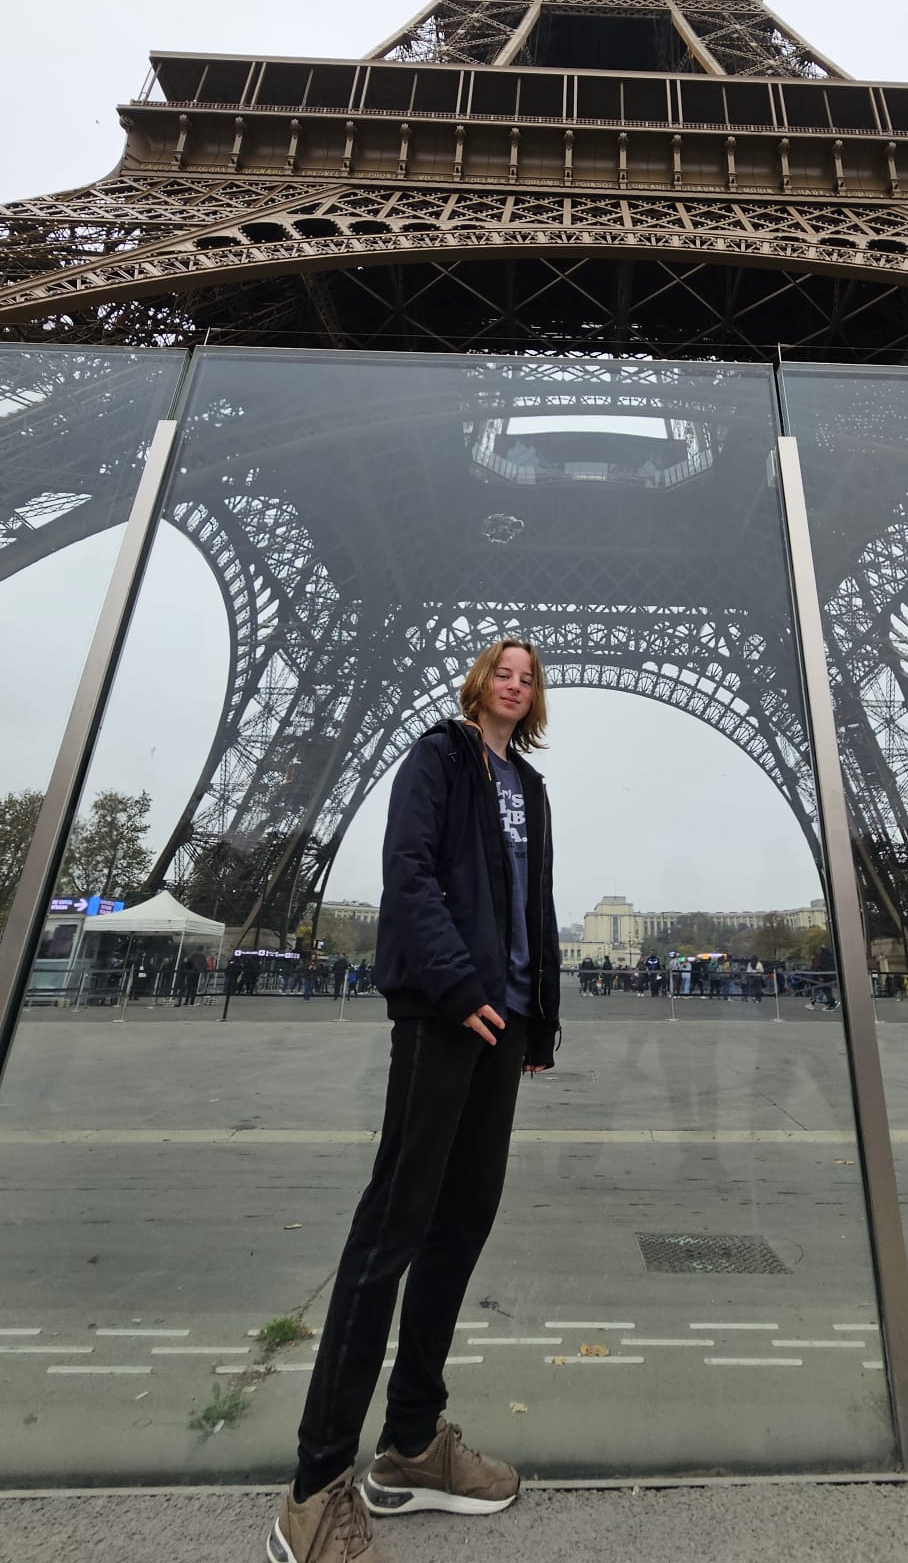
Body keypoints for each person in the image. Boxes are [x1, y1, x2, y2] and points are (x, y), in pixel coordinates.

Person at [270, 639, 561, 1563]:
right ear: (479, 684)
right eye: (502, 671)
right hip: (446, 1017)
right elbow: (411, 874)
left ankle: (410, 1446)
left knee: (462, 1220)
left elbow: (533, 909)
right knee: (393, 1228)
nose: (515, 683)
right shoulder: (436, 756)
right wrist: (453, 984)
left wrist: (535, 1023)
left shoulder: (531, 789)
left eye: (529, 676)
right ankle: (316, 1487)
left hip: (502, 1024)